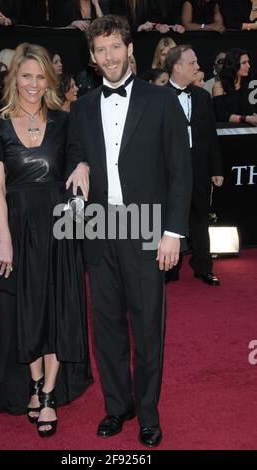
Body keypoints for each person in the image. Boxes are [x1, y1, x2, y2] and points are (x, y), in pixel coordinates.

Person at [66, 15, 192, 447]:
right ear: (93, 57)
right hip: (100, 228)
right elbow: (74, 154)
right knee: (107, 328)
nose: (109, 57)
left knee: (147, 328)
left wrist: (173, 231)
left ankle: (149, 413)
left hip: (145, 228)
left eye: (115, 47)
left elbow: (180, 172)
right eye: (100, 50)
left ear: (129, 49)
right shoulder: (81, 107)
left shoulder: (161, 102)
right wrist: (78, 164)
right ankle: (117, 406)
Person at [0, 42, 93, 438]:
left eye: (39, 76)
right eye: (25, 75)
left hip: (59, 228)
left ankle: (48, 394)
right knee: (26, 311)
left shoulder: (65, 120)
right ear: (15, 78)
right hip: (18, 228)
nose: (33, 83)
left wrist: (82, 163)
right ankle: (32, 384)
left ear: (50, 78)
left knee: (57, 309)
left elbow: (83, 158)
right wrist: (4, 241)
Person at [165, 45, 223, 285]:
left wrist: (217, 169)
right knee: (170, 219)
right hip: (170, 171)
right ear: (177, 67)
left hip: (199, 168)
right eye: (192, 63)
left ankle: (203, 266)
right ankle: (169, 267)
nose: (198, 67)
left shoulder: (202, 96)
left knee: (200, 219)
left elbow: (211, 135)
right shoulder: (158, 96)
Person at [213, 48, 257, 126]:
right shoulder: (219, 86)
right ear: (233, 64)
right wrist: (246, 118)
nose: (248, 66)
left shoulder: (249, 85)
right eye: (244, 63)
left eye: (248, 62)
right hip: (228, 134)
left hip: (249, 133)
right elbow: (221, 115)